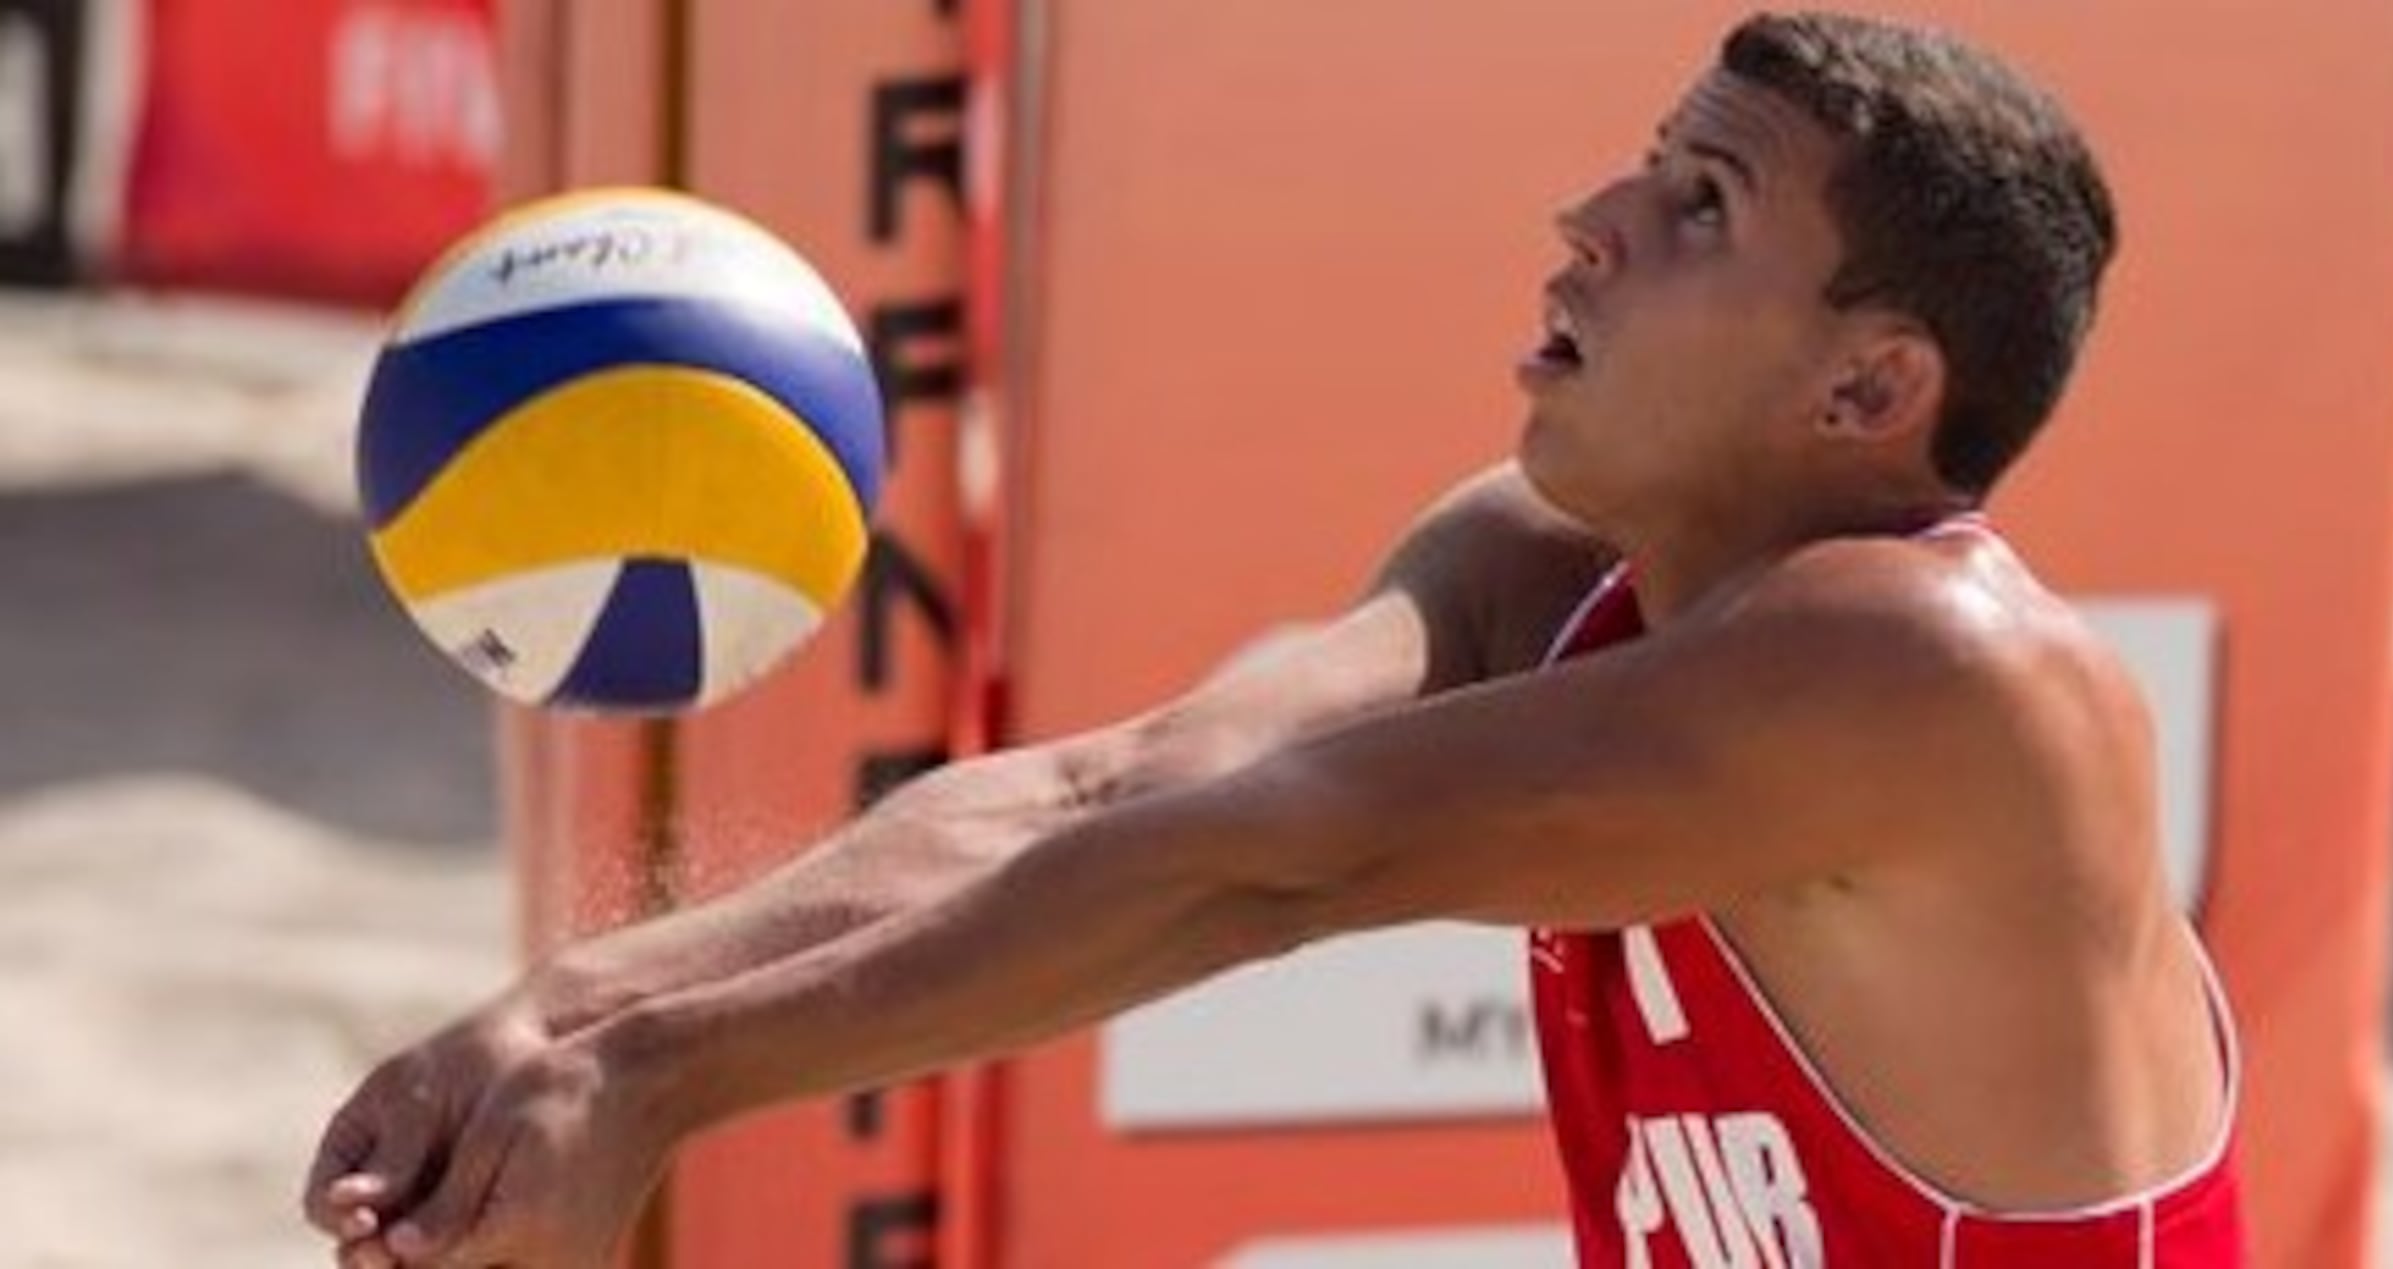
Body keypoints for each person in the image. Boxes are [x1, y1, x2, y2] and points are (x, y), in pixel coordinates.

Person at [306, 11, 2246, 1267]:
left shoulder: (1933, 678)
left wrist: (654, 1075)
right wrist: (564, 1012)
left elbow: (1270, 857)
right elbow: (1121, 784)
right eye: (1638, 165)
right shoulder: (1540, 565)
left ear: (1866, 387)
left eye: (1695, 204)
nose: (1583, 220)